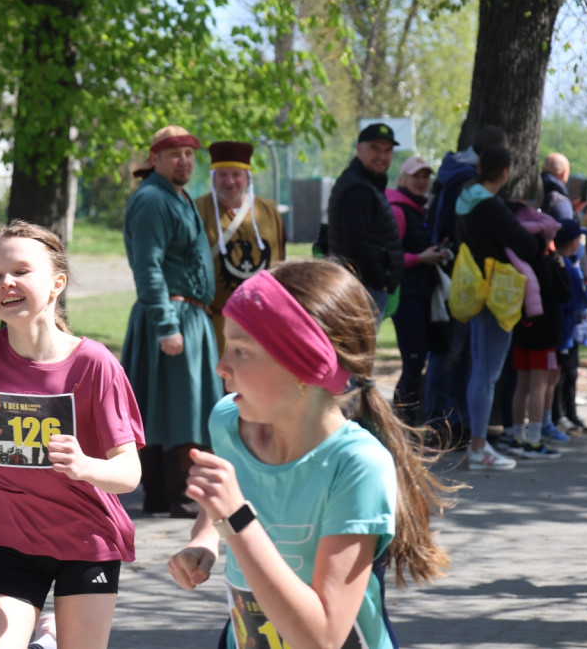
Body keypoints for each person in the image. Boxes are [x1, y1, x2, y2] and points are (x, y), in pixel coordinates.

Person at [167, 259, 453, 649]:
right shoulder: (227, 421)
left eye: (241, 350)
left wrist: (237, 520)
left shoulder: (356, 466)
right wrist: (205, 539)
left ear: (304, 366)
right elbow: (225, 498)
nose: (221, 367)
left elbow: (322, 638)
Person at [0, 220, 145, 649]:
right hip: (11, 544)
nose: (7, 282)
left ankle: (51, 634)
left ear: (57, 283)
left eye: (21, 270)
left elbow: (129, 474)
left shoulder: (93, 364)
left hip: (87, 543)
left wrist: (85, 466)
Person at [122, 125, 223, 518]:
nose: (184, 160)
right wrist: (166, 324)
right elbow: (148, 266)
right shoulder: (151, 199)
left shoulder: (177, 196)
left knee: (181, 406)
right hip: (170, 315)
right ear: (155, 159)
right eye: (174, 153)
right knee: (176, 407)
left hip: (191, 315)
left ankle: (168, 494)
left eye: (188, 154)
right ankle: (173, 493)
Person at [423, 125, 510, 447]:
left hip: (455, 268)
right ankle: (439, 424)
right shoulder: (464, 179)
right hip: (457, 271)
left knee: (459, 354)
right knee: (450, 352)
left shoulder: (454, 172)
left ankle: (453, 421)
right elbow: (449, 223)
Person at [455, 146, 541, 470]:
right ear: (504, 173)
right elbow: (527, 245)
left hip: (474, 288)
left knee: (479, 369)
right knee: (487, 373)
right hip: (496, 293)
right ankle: (479, 447)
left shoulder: (464, 199)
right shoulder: (490, 206)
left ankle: (477, 444)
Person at [195, 140, 285, 354]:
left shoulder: (269, 211)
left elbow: (281, 265)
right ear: (213, 178)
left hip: (262, 323)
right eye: (222, 174)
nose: (229, 181)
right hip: (215, 322)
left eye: (236, 174)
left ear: (247, 177)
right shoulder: (197, 210)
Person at [386, 156, 451, 424]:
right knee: (413, 363)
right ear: (403, 179)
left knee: (418, 362)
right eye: (416, 176)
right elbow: (391, 256)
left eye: (426, 177)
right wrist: (420, 258)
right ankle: (399, 423)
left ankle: (406, 423)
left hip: (421, 295)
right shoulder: (399, 210)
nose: (422, 182)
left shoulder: (418, 210)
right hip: (405, 297)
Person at [502, 218, 570, 459]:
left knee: (522, 384)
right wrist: (560, 267)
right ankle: (534, 438)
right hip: (545, 333)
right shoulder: (548, 264)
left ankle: (518, 435)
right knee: (540, 385)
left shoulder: (517, 263)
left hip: (522, 330)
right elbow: (564, 293)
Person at [327, 122, 404, 320]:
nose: (381, 156)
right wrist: (378, 282)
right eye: (375, 149)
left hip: (363, 287)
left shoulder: (364, 183)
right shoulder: (358, 190)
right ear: (359, 149)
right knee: (357, 350)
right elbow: (356, 245)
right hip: (362, 289)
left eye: (387, 150)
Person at [552, 220, 587, 435]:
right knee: (564, 374)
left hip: (568, 330)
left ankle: (567, 414)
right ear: (572, 243)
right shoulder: (567, 267)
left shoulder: (564, 263)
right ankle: (561, 415)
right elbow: (575, 301)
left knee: (566, 373)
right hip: (566, 331)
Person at [540, 153, 574, 221]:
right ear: (564, 173)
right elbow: (566, 229)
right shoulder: (561, 203)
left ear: (542, 168)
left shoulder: (531, 190)